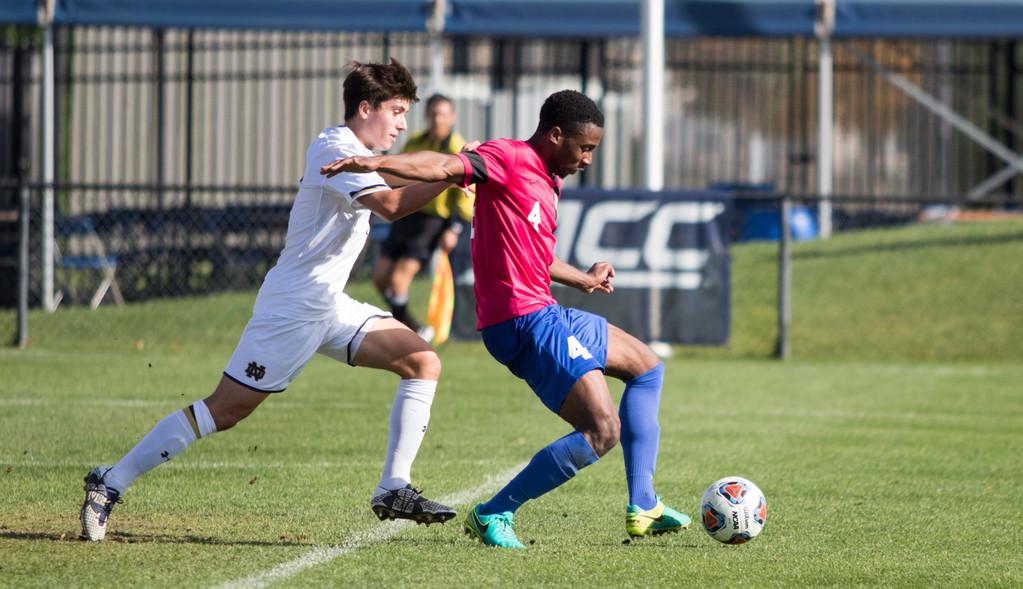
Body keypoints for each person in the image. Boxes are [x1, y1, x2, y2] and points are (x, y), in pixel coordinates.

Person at [79, 59, 461, 542]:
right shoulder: (335, 147)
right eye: (397, 111)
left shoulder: (362, 154)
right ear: (366, 109)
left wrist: (458, 168)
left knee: (423, 362)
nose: (404, 123)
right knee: (225, 411)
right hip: (292, 308)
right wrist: (455, 174)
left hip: (330, 305)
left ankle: (394, 487)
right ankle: (109, 482)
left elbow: (407, 177)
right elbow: (389, 206)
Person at [320, 89, 691, 548]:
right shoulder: (507, 157)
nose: (588, 160)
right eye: (585, 148)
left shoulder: (549, 181)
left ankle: (644, 504)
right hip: (521, 322)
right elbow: (441, 166)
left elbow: (537, 255)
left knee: (647, 367)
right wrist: (376, 163)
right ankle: (495, 512)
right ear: (556, 135)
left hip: (546, 310)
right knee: (602, 430)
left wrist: (585, 279)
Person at [372, 94, 473, 341]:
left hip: (432, 223)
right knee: (379, 278)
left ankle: (409, 334)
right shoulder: (416, 141)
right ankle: (412, 327)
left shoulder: (456, 147)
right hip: (407, 215)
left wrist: (455, 228)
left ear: (452, 117)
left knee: (398, 280)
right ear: (427, 116)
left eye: (443, 114)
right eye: (433, 114)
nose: (438, 119)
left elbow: (466, 194)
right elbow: (400, 171)